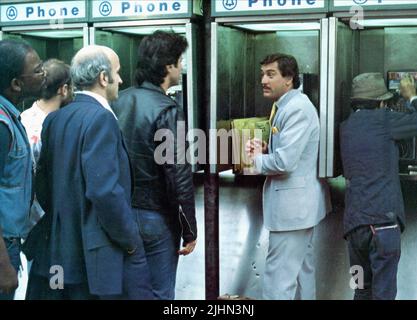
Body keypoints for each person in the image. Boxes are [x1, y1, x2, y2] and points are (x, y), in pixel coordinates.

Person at [24, 45, 153, 300]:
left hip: (57, 250)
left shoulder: (55, 119)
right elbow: (104, 191)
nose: (121, 79)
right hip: (92, 254)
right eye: (117, 72)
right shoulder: (101, 119)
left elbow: (43, 185)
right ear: (103, 78)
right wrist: (128, 238)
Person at [112, 31, 197, 300]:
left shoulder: (117, 101)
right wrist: (189, 229)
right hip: (156, 217)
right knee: (160, 293)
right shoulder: (167, 110)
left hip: (120, 213)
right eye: (180, 61)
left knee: (128, 292)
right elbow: (177, 173)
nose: (181, 67)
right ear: (168, 65)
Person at [246, 53, 329, 300]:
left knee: (277, 282)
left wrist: (255, 161)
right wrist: (266, 150)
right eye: (262, 74)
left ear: (289, 78)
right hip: (298, 209)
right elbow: (290, 153)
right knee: (303, 276)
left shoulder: (296, 109)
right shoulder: (288, 106)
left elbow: (285, 162)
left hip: (292, 211)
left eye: (271, 74)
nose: (264, 80)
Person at [340, 72, 417, 300]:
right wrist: (411, 96)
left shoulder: (346, 126)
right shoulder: (384, 119)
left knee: (361, 288)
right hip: (383, 228)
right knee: (383, 293)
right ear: (381, 102)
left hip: (354, 230)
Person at [0, 39, 46, 300]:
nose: (44, 75)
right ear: (16, 84)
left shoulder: (10, 115)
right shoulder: (2, 124)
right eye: (38, 70)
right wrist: (4, 265)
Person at [21, 59, 73, 229]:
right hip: (46, 221)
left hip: (24, 220)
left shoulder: (23, 118)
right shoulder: (57, 127)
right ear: (63, 89)